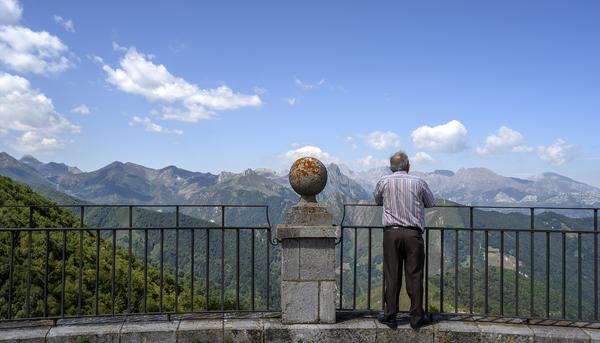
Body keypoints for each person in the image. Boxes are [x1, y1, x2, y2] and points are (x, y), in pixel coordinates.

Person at [373, 151, 434, 330]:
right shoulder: (419, 182)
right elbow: (430, 202)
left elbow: (377, 200)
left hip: (391, 234)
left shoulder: (383, 182)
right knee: (414, 276)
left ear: (391, 167)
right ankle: (416, 318)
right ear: (408, 166)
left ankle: (390, 316)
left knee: (392, 276)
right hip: (413, 235)